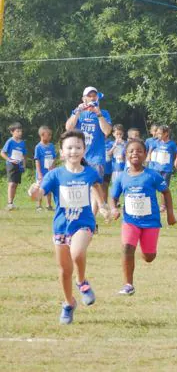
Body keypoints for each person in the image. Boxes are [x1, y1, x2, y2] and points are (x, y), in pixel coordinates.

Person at [27, 130, 110, 324]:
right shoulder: (55, 174)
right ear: (62, 151)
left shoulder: (90, 172)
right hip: (61, 226)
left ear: (84, 150)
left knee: (77, 253)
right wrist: (33, 192)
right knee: (64, 271)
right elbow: (39, 195)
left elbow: (97, 187)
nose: (74, 151)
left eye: (78, 147)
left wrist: (104, 207)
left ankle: (81, 282)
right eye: (69, 148)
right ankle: (68, 303)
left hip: (84, 224)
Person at [110, 139, 177, 295]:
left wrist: (170, 215)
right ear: (126, 155)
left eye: (139, 151)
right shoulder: (121, 177)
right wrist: (113, 209)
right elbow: (113, 197)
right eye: (131, 151)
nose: (135, 153)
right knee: (127, 247)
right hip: (130, 221)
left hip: (150, 222)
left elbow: (166, 192)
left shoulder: (152, 175)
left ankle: (144, 248)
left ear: (146, 154)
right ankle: (128, 284)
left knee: (149, 257)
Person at [65, 86, 113, 218]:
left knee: (94, 186)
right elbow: (68, 128)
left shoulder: (104, 113)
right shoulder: (78, 113)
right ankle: (87, 214)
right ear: (84, 99)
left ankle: (91, 220)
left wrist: (98, 114)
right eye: (89, 96)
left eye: (94, 96)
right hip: (79, 157)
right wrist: (77, 112)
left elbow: (107, 131)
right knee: (81, 188)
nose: (92, 98)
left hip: (96, 157)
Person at [147, 125, 177, 211]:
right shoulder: (156, 142)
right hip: (156, 169)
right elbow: (150, 150)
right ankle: (151, 203)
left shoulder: (171, 144)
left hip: (166, 169)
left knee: (164, 188)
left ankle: (163, 205)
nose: (158, 135)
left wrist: (176, 160)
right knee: (151, 186)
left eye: (160, 134)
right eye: (157, 134)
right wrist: (149, 157)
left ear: (166, 134)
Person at [1, 122, 27, 210]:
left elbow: (24, 155)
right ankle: (9, 203)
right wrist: (10, 160)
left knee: (15, 184)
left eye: (21, 131)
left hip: (19, 166)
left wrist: (24, 165)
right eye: (18, 131)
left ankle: (12, 202)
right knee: (11, 184)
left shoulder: (23, 143)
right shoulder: (10, 141)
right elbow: (2, 153)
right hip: (11, 165)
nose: (20, 133)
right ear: (12, 132)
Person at [34, 125, 56, 211]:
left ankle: (49, 205)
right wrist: (39, 173)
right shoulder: (38, 147)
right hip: (41, 172)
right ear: (42, 135)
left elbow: (54, 157)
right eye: (49, 135)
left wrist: (53, 167)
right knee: (40, 188)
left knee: (49, 188)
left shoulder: (51, 146)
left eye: (51, 135)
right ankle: (38, 206)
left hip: (49, 171)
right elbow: (37, 160)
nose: (50, 136)